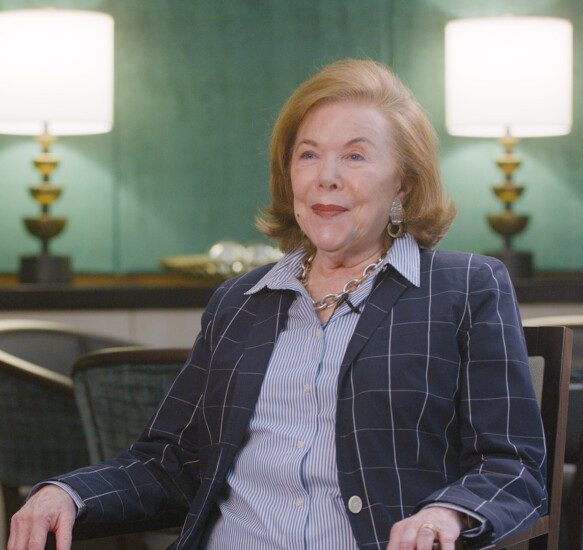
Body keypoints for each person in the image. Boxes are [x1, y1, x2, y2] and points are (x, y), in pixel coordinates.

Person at [8, 59, 546, 550]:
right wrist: (67, 494)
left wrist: (447, 515)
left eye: (355, 155)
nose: (325, 175)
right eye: (308, 154)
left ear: (403, 183)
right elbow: (172, 465)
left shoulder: (465, 287)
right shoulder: (240, 301)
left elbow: (513, 464)